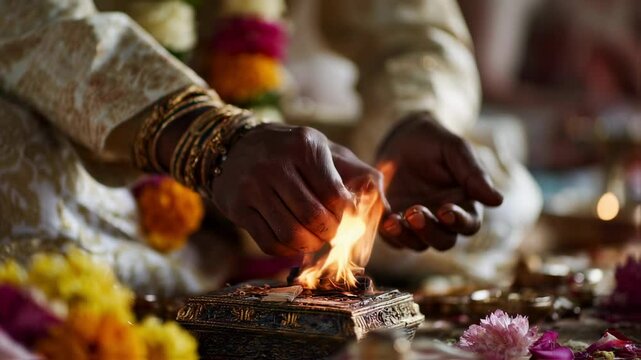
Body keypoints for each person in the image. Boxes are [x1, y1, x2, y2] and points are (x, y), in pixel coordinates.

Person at [0, 0, 501, 296]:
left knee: (509, 191)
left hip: (265, 134)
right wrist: (211, 139)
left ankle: (291, 222)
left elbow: (412, 29)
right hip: (93, 125)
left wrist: (405, 123)